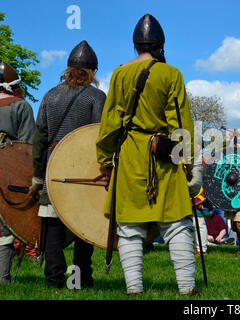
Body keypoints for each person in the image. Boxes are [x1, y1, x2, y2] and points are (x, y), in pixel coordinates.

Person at [95, 14, 198, 295]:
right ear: (160, 45)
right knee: (176, 223)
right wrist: (186, 161)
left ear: (135, 44)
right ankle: (188, 289)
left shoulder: (119, 73)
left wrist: (105, 160)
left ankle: (134, 289)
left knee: (129, 227)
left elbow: (110, 124)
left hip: (129, 155)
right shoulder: (171, 74)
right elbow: (180, 122)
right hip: (164, 155)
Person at [31, 41, 105, 289]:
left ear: (68, 69)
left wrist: (37, 177)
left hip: (55, 169)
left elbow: (39, 139)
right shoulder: (96, 97)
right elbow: (99, 138)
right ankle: (81, 279)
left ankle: (54, 281)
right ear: (92, 71)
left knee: (52, 227)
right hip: (85, 174)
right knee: (84, 227)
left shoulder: (50, 95)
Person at [0, 61, 36, 284]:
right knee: (5, 227)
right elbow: (27, 148)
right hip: (8, 176)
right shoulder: (21, 106)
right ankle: (2, 277)